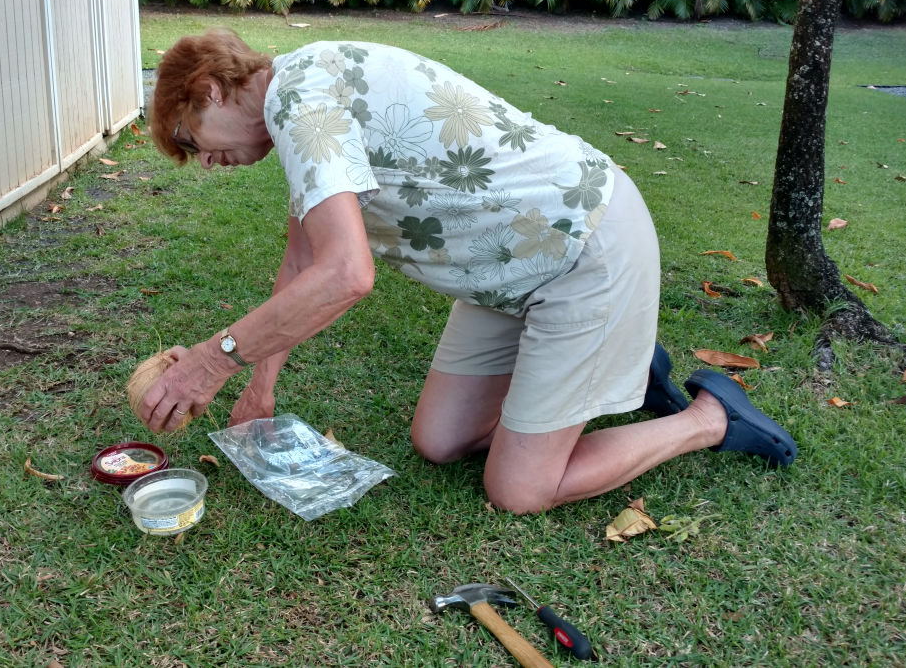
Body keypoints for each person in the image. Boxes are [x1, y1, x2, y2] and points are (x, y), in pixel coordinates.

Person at [138, 28, 796, 514]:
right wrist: (260, 386)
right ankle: (604, 375)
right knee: (440, 439)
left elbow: (346, 273)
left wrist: (212, 360)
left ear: (210, 90)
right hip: (508, 275)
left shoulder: (299, 105)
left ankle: (708, 417)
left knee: (519, 489)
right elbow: (304, 259)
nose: (203, 162)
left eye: (192, 141)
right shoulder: (301, 100)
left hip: (584, 248)